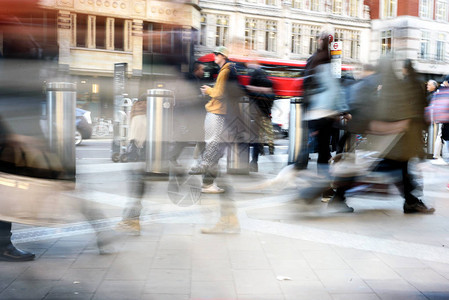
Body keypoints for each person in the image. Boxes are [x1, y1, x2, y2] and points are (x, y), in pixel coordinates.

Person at [329, 57, 435, 214]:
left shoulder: (377, 82)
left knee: (394, 167)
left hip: (376, 132)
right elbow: (385, 107)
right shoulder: (383, 82)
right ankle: (410, 201)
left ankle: (410, 201)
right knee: (392, 167)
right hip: (383, 133)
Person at [188, 46, 240, 194]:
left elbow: (219, 93)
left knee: (213, 147)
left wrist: (207, 90)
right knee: (214, 147)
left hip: (218, 112)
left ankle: (205, 174)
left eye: (217, 54)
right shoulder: (227, 70)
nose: (214, 56)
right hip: (218, 113)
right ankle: (206, 180)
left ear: (223, 56)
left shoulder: (226, 69)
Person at [169, 62, 206, 167]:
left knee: (198, 137)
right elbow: (191, 98)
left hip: (190, 114)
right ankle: (172, 157)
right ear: (196, 70)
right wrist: (201, 95)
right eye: (201, 69)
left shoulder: (194, 79)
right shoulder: (192, 79)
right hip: (190, 114)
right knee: (196, 137)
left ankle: (173, 157)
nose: (203, 72)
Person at [245, 61, 275, 172]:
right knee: (260, 138)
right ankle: (254, 162)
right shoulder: (270, 84)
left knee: (250, 139)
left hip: (253, 114)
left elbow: (249, 97)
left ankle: (248, 161)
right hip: (265, 114)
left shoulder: (253, 84)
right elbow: (272, 99)